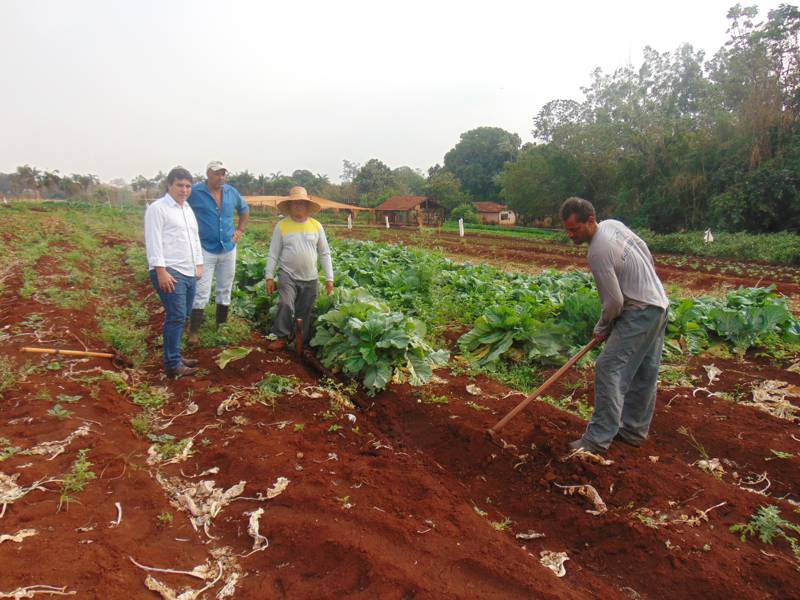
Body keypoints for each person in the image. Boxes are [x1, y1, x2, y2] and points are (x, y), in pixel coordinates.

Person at [560, 197, 669, 453]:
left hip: (640, 310)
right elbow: (643, 248)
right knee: (644, 371)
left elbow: (614, 303)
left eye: (574, 230)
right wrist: (646, 281)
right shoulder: (613, 224)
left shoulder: (597, 251)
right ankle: (633, 431)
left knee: (608, 367)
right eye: (566, 229)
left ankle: (596, 441)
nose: (570, 235)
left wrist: (602, 328)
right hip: (659, 303)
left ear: (590, 221)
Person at [144, 167, 204, 378]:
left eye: (188, 186)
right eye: (180, 185)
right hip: (170, 271)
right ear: (169, 185)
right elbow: (153, 241)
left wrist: (199, 263)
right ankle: (171, 364)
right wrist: (160, 271)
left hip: (188, 271)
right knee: (176, 316)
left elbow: (194, 238)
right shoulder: (158, 209)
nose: (184, 190)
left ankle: (176, 356)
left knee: (183, 315)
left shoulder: (187, 209)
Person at [186, 160, 249, 344]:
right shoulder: (196, 192)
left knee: (225, 288)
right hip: (205, 248)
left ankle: (221, 327)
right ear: (208, 174)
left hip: (228, 248)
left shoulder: (231, 192)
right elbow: (181, 207)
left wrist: (240, 230)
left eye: (223, 174)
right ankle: (194, 331)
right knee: (202, 289)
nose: (221, 177)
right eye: (216, 174)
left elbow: (244, 210)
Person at [264, 186, 334, 351]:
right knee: (285, 304)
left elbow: (324, 253)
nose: (298, 206)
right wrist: (269, 276)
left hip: (310, 277)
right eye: (294, 204)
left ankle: (301, 341)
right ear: (289, 206)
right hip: (287, 274)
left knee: (305, 313)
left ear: (307, 206)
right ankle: (281, 336)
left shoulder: (316, 226)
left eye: (301, 203)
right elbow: (273, 253)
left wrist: (330, 279)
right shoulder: (282, 226)